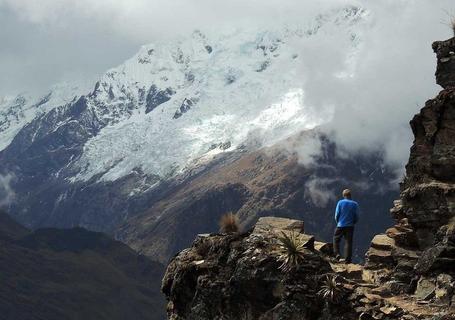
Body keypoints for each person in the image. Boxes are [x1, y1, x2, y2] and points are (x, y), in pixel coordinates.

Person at [333, 189, 359, 263]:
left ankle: (337, 254)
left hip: (340, 225)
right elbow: (356, 216)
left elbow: (337, 214)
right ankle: (347, 259)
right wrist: (353, 222)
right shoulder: (355, 204)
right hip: (350, 226)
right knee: (348, 242)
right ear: (350, 195)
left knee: (336, 239)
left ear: (343, 195)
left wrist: (338, 222)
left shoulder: (340, 203)